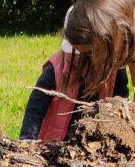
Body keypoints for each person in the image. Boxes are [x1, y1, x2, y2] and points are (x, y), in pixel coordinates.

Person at [19, 7, 129, 141]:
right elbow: (35, 107)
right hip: (57, 143)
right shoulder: (55, 69)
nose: (82, 58)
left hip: (95, 144)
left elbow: (121, 101)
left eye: (88, 54)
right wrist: (28, 138)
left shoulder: (114, 71)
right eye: (77, 52)